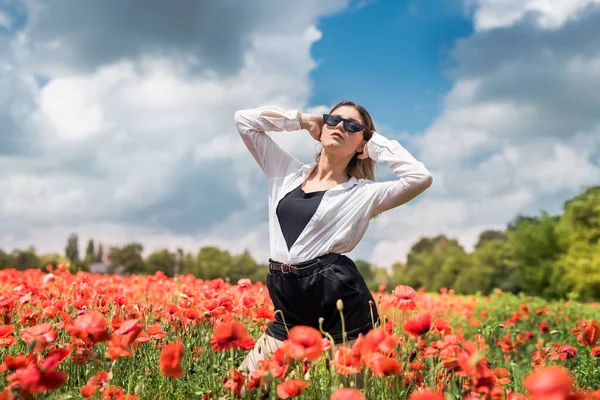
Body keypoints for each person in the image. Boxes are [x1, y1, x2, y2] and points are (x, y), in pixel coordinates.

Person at [234, 100, 433, 375]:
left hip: (336, 296)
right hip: (287, 299)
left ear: (362, 144)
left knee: (344, 390)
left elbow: (419, 177)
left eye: (353, 126)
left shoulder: (363, 194)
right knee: (245, 386)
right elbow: (244, 120)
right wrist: (302, 120)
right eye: (333, 119)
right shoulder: (286, 172)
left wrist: (376, 145)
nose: (340, 126)